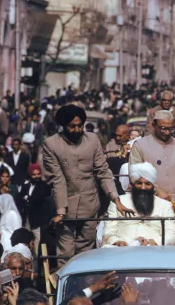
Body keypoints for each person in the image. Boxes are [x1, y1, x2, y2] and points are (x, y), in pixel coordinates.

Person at [43, 104, 132, 264]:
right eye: (72, 126)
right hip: (65, 205)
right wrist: (61, 212)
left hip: (90, 204)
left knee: (86, 252)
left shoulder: (92, 140)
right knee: (65, 253)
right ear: (63, 125)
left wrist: (116, 200)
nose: (76, 130)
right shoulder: (51, 144)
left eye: (80, 126)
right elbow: (58, 179)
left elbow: (103, 171)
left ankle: (86, 285)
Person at [130, 110, 175, 244]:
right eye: (163, 128)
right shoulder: (140, 145)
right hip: (151, 208)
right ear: (154, 125)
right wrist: (156, 190)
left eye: (170, 129)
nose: (167, 132)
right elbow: (134, 176)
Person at [102, 162, 175, 246]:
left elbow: (171, 235)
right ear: (133, 184)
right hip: (122, 250)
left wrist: (153, 242)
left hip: (153, 251)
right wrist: (117, 242)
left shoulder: (165, 205)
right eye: (139, 183)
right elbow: (108, 232)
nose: (143, 187)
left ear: (153, 186)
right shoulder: (118, 202)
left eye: (147, 184)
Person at [20, 164, 52, 253]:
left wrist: (28, 198)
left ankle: (38, 264)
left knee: (38, 244)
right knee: (25, 243)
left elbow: (39, 198)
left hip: (38, 221)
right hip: (27, 220)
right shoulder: (26, 186)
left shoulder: (43, 186)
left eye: (38, 174)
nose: (36, 176)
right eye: (34, 174)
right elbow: (20, 199)